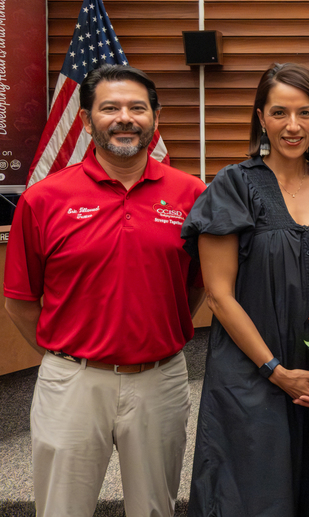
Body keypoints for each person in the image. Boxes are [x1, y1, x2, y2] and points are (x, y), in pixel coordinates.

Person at [3, 64, 206, 517]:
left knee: (154, 509)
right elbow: (19, 302)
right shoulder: (43, 199)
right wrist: (69, 355)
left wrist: (155, 333)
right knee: (62, 509)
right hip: (71, 382)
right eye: (110, 108)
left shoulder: (191, 195)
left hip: (161, 380)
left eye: (137, 108)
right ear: (85, 118)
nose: (125, 118)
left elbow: (195, 287)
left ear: (155, 117)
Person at [181, 63, 309, 517]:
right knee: (255, 497)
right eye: (280, 113)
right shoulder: (233, 186)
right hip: (253, 375)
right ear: (261, 118)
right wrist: (276, 371)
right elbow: (219, 296)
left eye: (305, 113)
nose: (293, 126)